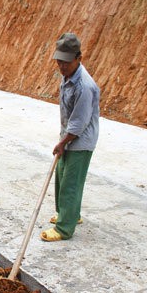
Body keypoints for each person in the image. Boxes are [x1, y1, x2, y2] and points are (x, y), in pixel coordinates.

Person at [40, 33, 100, 242]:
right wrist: (63, 139)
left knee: (70, 183)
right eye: (59, 61)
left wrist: (63, 142)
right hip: (68, 136)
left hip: (80, 140)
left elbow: (79, 123)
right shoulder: (67, 78)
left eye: (66, 62)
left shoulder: (84, 86)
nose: (62, 66)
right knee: (62, 175)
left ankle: (65, 228)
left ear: (78, 58)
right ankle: (69, 213)